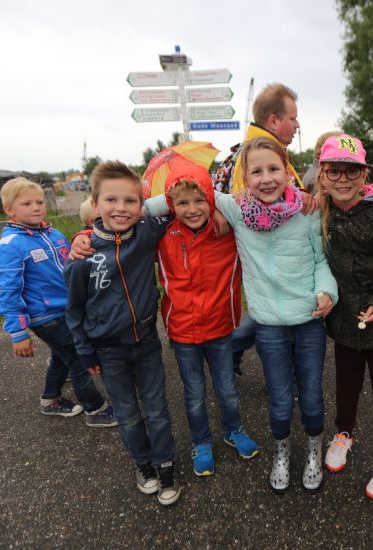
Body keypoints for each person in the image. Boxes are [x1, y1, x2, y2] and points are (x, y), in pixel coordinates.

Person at [145, 137, 338, 493]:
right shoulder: (236, 209)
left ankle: (314, 449)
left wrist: (327, 291)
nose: (266, 178)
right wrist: (117, 214)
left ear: (287, 171)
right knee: (280, 399)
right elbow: (181, 196)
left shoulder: (306, 211)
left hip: (310, 320)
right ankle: (281, 453)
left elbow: (320, 261)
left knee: (311, 396)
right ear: (244, 178)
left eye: (274, 169)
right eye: (256, 171)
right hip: (268, 324)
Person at [64, 161, 179, 506]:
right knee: (128, 414)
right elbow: (74, 310)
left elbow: (180, 203)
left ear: (142, 205)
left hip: (147, 343)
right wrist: (85, 351)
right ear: (95, 204)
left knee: (157, 410)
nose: (121, 208)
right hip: (108, 351)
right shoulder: (82, 256)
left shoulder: (146, 231)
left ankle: (165, 465)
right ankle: (143, 465)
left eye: (131, 201)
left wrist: (216, 211)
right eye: (111, 200)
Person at [315, 135, 373, 500]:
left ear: (364, 174)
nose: (343, 179)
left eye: (351, 171)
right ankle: (343, 434)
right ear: (322, 174)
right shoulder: (319, 211)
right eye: (334, 171)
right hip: (343, 323)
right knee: (346, 386)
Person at [157, 164, 260, 476]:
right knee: (194, 395)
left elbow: (266, 212)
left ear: (212, 200)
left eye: (200, 201)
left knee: (227, 389)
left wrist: (220, 209)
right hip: (182, 331)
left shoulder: (228, 229)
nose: (192, 209)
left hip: (220, 328)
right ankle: (201, 442)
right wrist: (84, 234)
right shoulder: (161, 233)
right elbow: (118, 228)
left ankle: (233, 430)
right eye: (182, 203)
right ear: (170, 204)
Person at [0, 177, 117, 427]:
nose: (36, 208)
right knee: (79, 360)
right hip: (46, 316)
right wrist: (18, 332)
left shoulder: (53, 234)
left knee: (62, 357)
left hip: (67, 309)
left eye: (39, 202)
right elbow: (8, 291)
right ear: (9, 209)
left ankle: (50, 400)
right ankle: (95, 410)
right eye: (27, 203)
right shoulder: (10, 245)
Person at [213, 83, 304, 375]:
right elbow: (255, 216)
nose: (297, 125)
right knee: (268, 314)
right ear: (274, 120)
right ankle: (230, 353)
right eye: (293, 118)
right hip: (263, 262)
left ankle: (230, 352)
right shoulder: (258, 156)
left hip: (266, 264)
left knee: (266, 312)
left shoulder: (256, 151)